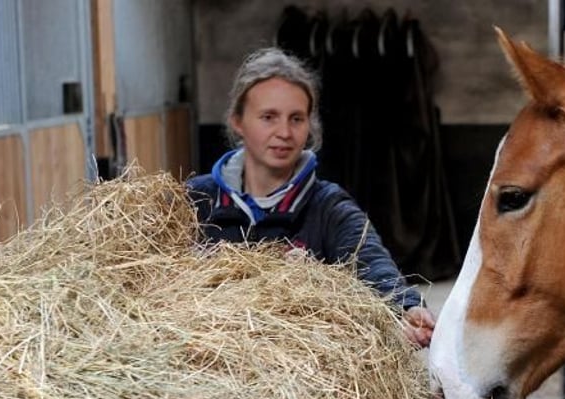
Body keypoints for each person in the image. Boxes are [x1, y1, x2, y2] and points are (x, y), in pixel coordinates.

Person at [186, 47, 435, 348]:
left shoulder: (328, 206)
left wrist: (405, 307)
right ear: (238, 121)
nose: (284, 132)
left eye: (296, 119)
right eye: (268, 117)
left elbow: (371, 262)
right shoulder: (195, 200)